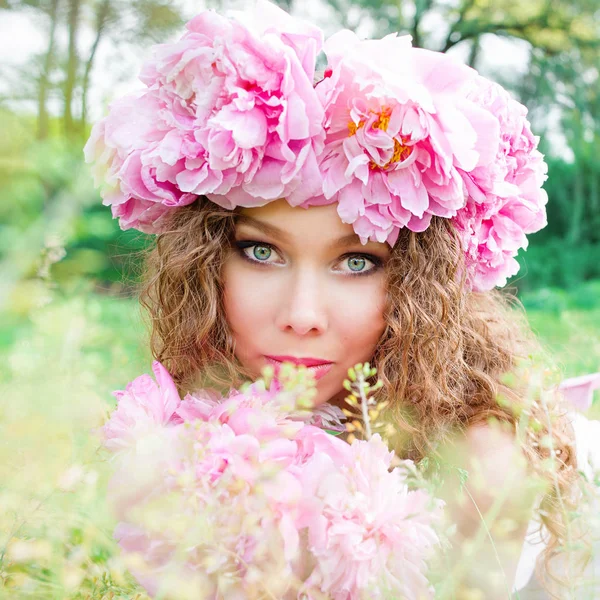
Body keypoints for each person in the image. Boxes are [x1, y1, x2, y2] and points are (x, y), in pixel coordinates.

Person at [84, 1, 600, 597]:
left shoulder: (481, 470)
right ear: (202, 265)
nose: (302, 315)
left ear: (418, 287)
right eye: (260, 252)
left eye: (357, 262)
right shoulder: (179, 425)